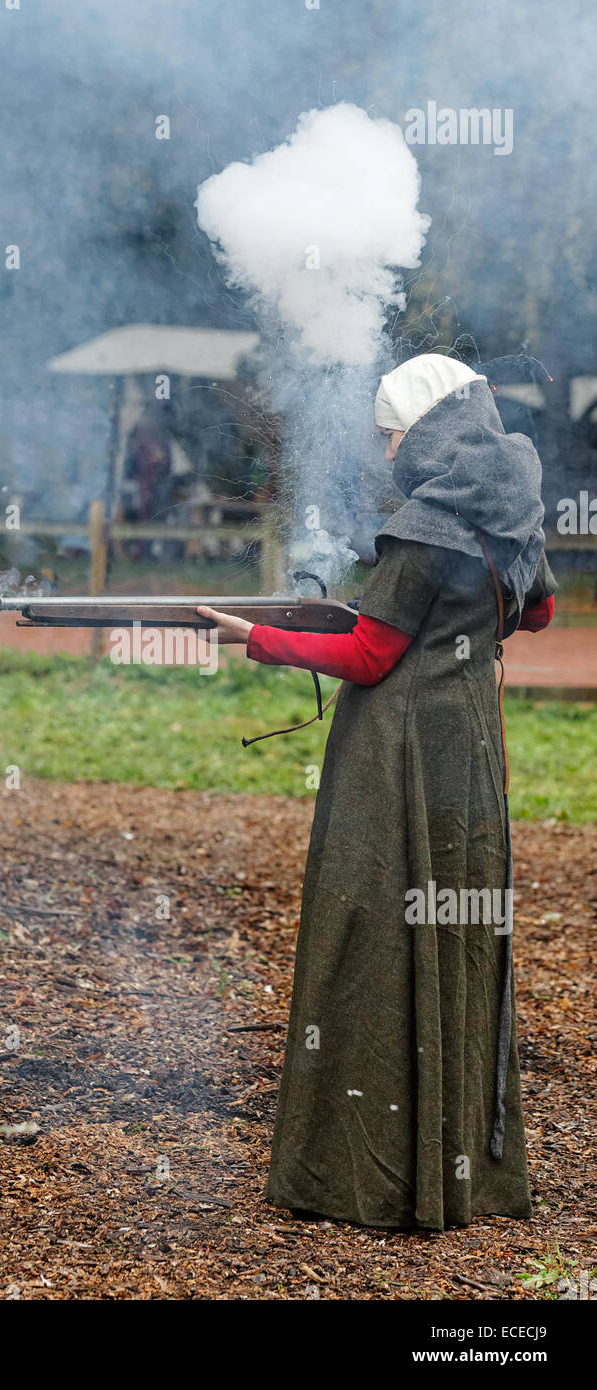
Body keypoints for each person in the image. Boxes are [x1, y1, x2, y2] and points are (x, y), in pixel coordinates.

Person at [198, 353, 555, 1230]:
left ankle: (365, 1174)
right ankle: (462, 1162)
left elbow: (369, 655)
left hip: (395, 759)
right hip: (470, 749)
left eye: (394, 431)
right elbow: (536, 611)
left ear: (430, 430)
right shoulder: (509, 507)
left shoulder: (428, 523)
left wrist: (259, 637)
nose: (389, 448)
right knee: (457, 934)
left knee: (370, 940)